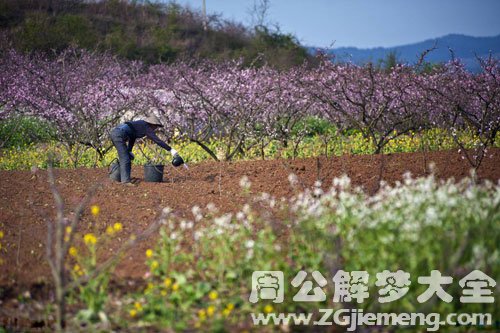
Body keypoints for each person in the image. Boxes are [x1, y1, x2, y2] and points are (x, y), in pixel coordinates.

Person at [110, 114, 180, 186]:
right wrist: (171, 150)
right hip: (119, 135)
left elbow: (132, 137)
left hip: (115, 133)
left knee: (125, 156)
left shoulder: (140, 124)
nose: (155, 128)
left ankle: (116, 177)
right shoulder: (146, 127)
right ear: (152, 124)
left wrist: (129, 150)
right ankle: (125, 181)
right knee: (125, 159)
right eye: (155, 126)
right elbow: (157, 141)